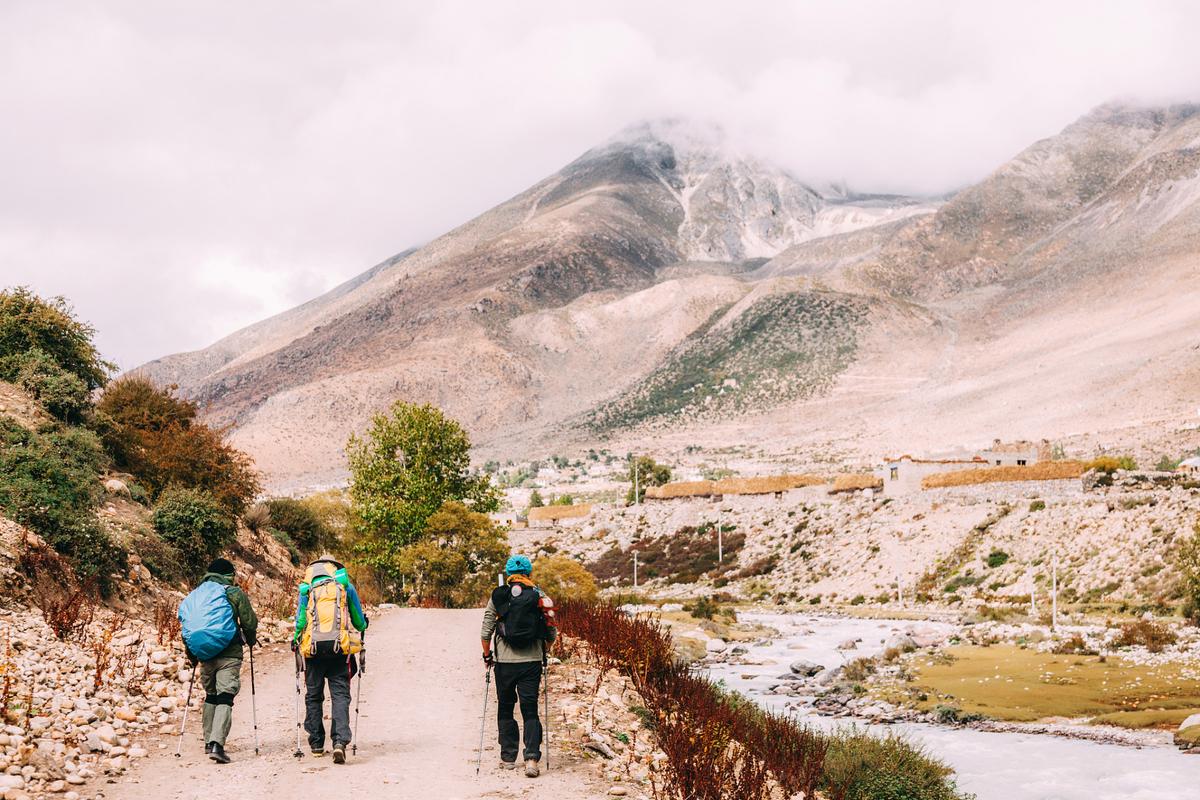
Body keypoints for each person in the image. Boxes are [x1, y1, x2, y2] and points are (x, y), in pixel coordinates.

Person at [481, 554, 556, 778]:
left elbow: (486, 630)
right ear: (529, 573)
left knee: (505, 707)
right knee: (530, 709)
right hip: (531, 661)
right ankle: (532, 758)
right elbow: (551, 629)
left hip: (504, 663)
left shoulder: (499, 595)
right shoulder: (538, 595)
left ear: (508, 573)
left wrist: (487, 656)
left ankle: (508, 757)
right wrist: (546, 649)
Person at [293, 555, 369, 764]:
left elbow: (300, 620)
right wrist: (363, 626)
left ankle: (317, 744)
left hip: (314, 652)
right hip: (340, 651)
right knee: (340, 695)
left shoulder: (307, 589)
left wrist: (295, 639)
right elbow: (359, 621)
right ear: (335, 569)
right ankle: (339, 742)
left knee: (313, 695)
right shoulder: (345, 587)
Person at [184, 558, 258, 765]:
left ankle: (208, 741)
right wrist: (250, 641)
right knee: (225, 696)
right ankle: (218, 744)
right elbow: (249, 622)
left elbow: (188, 627)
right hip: (229, 653)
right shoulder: (232, 592)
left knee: (211, 695)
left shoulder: (195, 595)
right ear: (228, 575)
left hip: (204, 654)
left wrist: (192, 655)